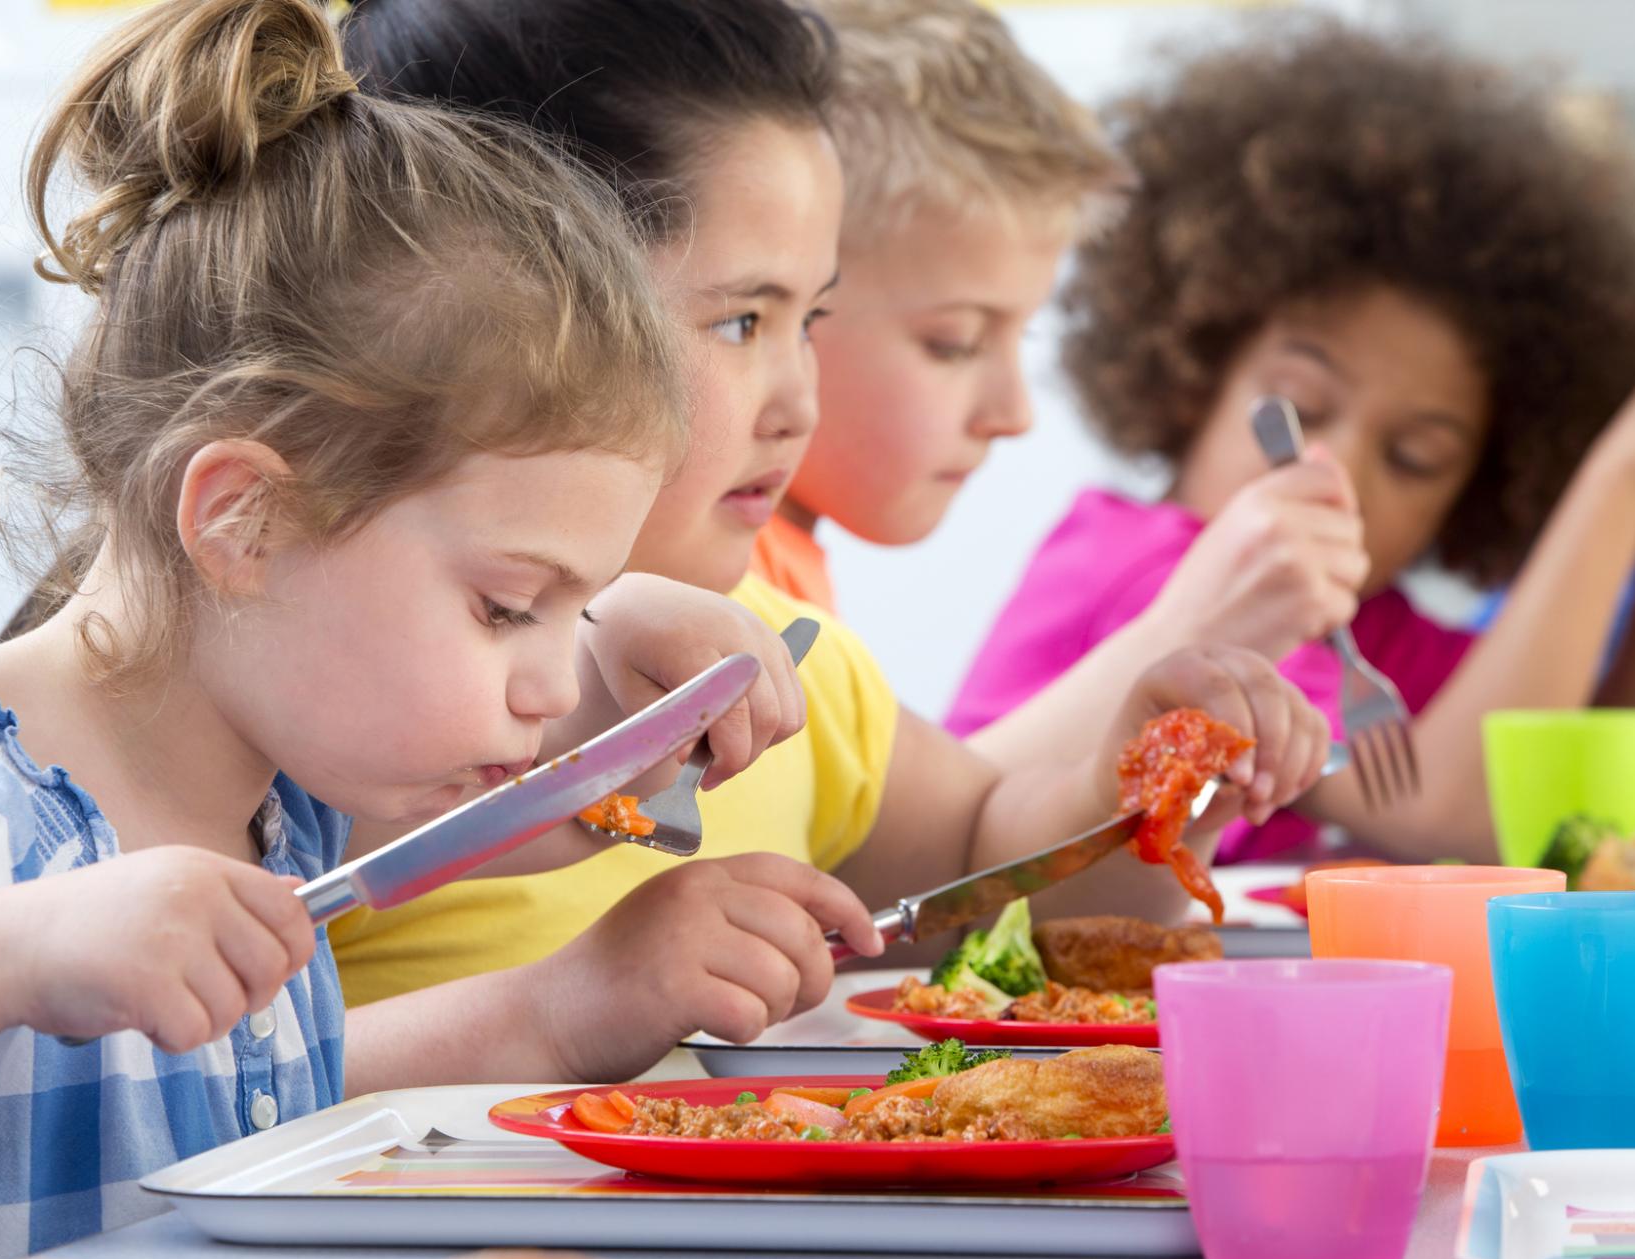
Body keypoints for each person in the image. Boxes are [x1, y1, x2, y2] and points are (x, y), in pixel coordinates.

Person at [0, 0, 877, 1259]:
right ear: (245, 520)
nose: (540, 676)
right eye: (511, 605)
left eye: (567, 606)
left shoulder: (284, 811)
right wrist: (12, 952)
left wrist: (621, 646)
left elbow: (548, 807)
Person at [330, 0, 1332, 1026]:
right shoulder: (348, 702)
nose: (798, 399)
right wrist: (557, 1009)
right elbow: (221, 1102)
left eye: (806, 321)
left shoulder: (786, 658)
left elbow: (994, 880)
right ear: (506, 316)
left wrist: (1149, 784)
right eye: (738, 320)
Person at [949, 21, 1635, 861]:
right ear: (1191, 379)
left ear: (1473, 493)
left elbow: (1619, 786)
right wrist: (1621, 471)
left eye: (1416, 459)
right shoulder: (1161, 571)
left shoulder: (1373, 638)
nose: (1338, 469)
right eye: (1296, 408)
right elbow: (1457, 815)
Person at [749, 0, 1131, 613]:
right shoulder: (720, 587)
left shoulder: (778, 567)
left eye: (1023, 335)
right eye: (953, 343)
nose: (1014, 415)